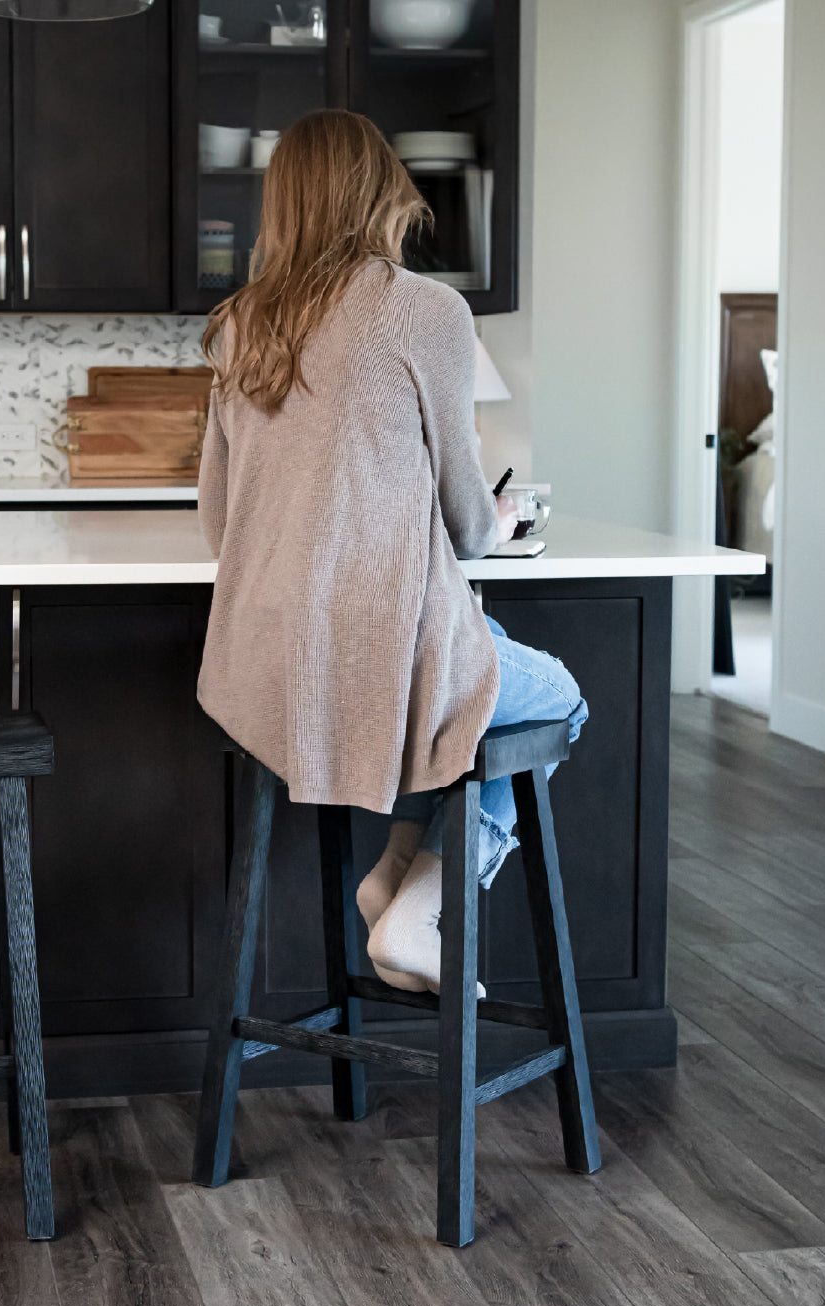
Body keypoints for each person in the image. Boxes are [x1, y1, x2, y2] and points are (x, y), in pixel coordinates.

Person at [196, 109, 587, 995]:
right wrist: (493, 518)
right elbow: (468, 528)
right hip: (381, 652)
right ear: (380, 193)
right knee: (558, 698)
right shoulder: (425, 310)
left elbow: (220, 525)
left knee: (466, 686)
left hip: (260, 660)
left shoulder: (238, 323)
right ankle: (423, 900)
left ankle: (396, 873)